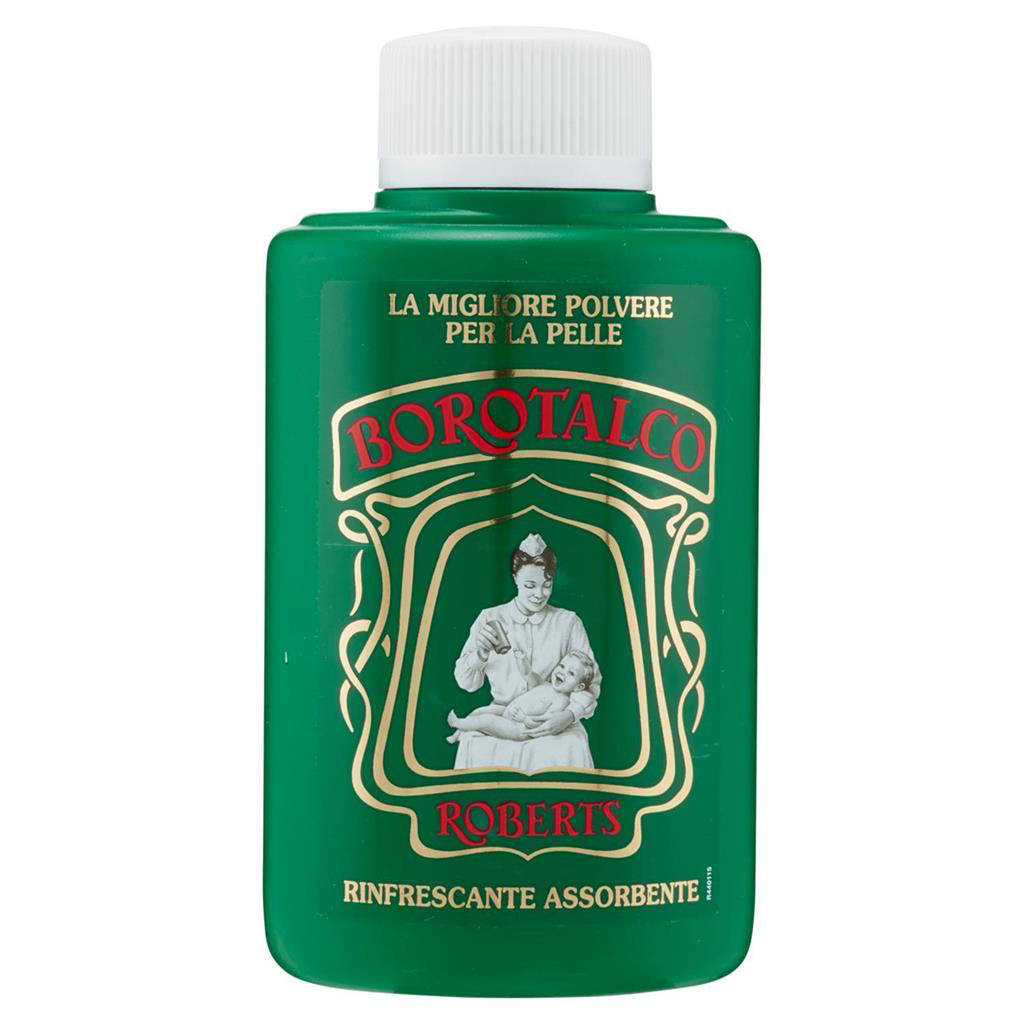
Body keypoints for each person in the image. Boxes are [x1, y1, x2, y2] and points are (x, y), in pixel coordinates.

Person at [451, 533, 602, 770]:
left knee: (572, 744)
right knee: (474, 737)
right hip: (503, 714)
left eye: (547, 585)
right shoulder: (490, 617)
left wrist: (569, 715)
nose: (539, 594)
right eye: (530, 586)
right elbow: (466, 683)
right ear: (515, 579)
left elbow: (591, 683)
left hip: (554, 720)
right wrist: (480, 654)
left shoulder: (568, 622)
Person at [447, 650, 597, 743]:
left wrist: (524, 719)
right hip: (509, 712)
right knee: (482, 711)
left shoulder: (562, 701)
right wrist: (522, 660)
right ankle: (457, 734)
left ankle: (457, 723)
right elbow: (528, 674)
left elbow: (544, 722)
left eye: (571, 673)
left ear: (578, 687)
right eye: (562, 666)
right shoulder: (545, 684)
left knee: (487, 720)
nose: (562, 672)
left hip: (519, 728)